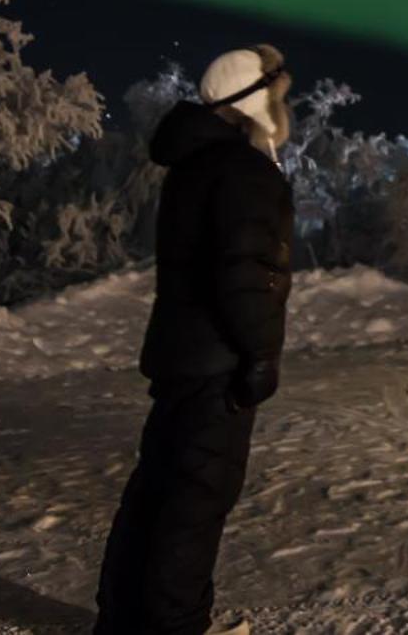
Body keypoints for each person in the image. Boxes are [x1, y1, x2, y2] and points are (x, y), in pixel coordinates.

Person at [95, 45, 296, 635]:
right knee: (195, 505)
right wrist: (260, 354)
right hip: (219, 364)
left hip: (183, 356)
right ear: (254, 101)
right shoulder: (243, 172)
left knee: (157, 492)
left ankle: (123, 621)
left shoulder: (196, 164)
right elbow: (244, 274)